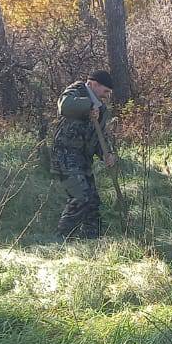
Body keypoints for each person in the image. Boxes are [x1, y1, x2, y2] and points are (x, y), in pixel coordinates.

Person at [51, 70, 117, 239]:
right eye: (105, 91)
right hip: (65, 157)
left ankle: (92, 239)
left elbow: (99, 137)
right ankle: (62, 238)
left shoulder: (102, 109)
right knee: (80, 197)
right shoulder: (76, 91)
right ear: (93, 84)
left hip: (83, 160)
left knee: (93, 201)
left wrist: (107, 154)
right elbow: (64, 106)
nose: (107, 95)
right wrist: (88, 106)